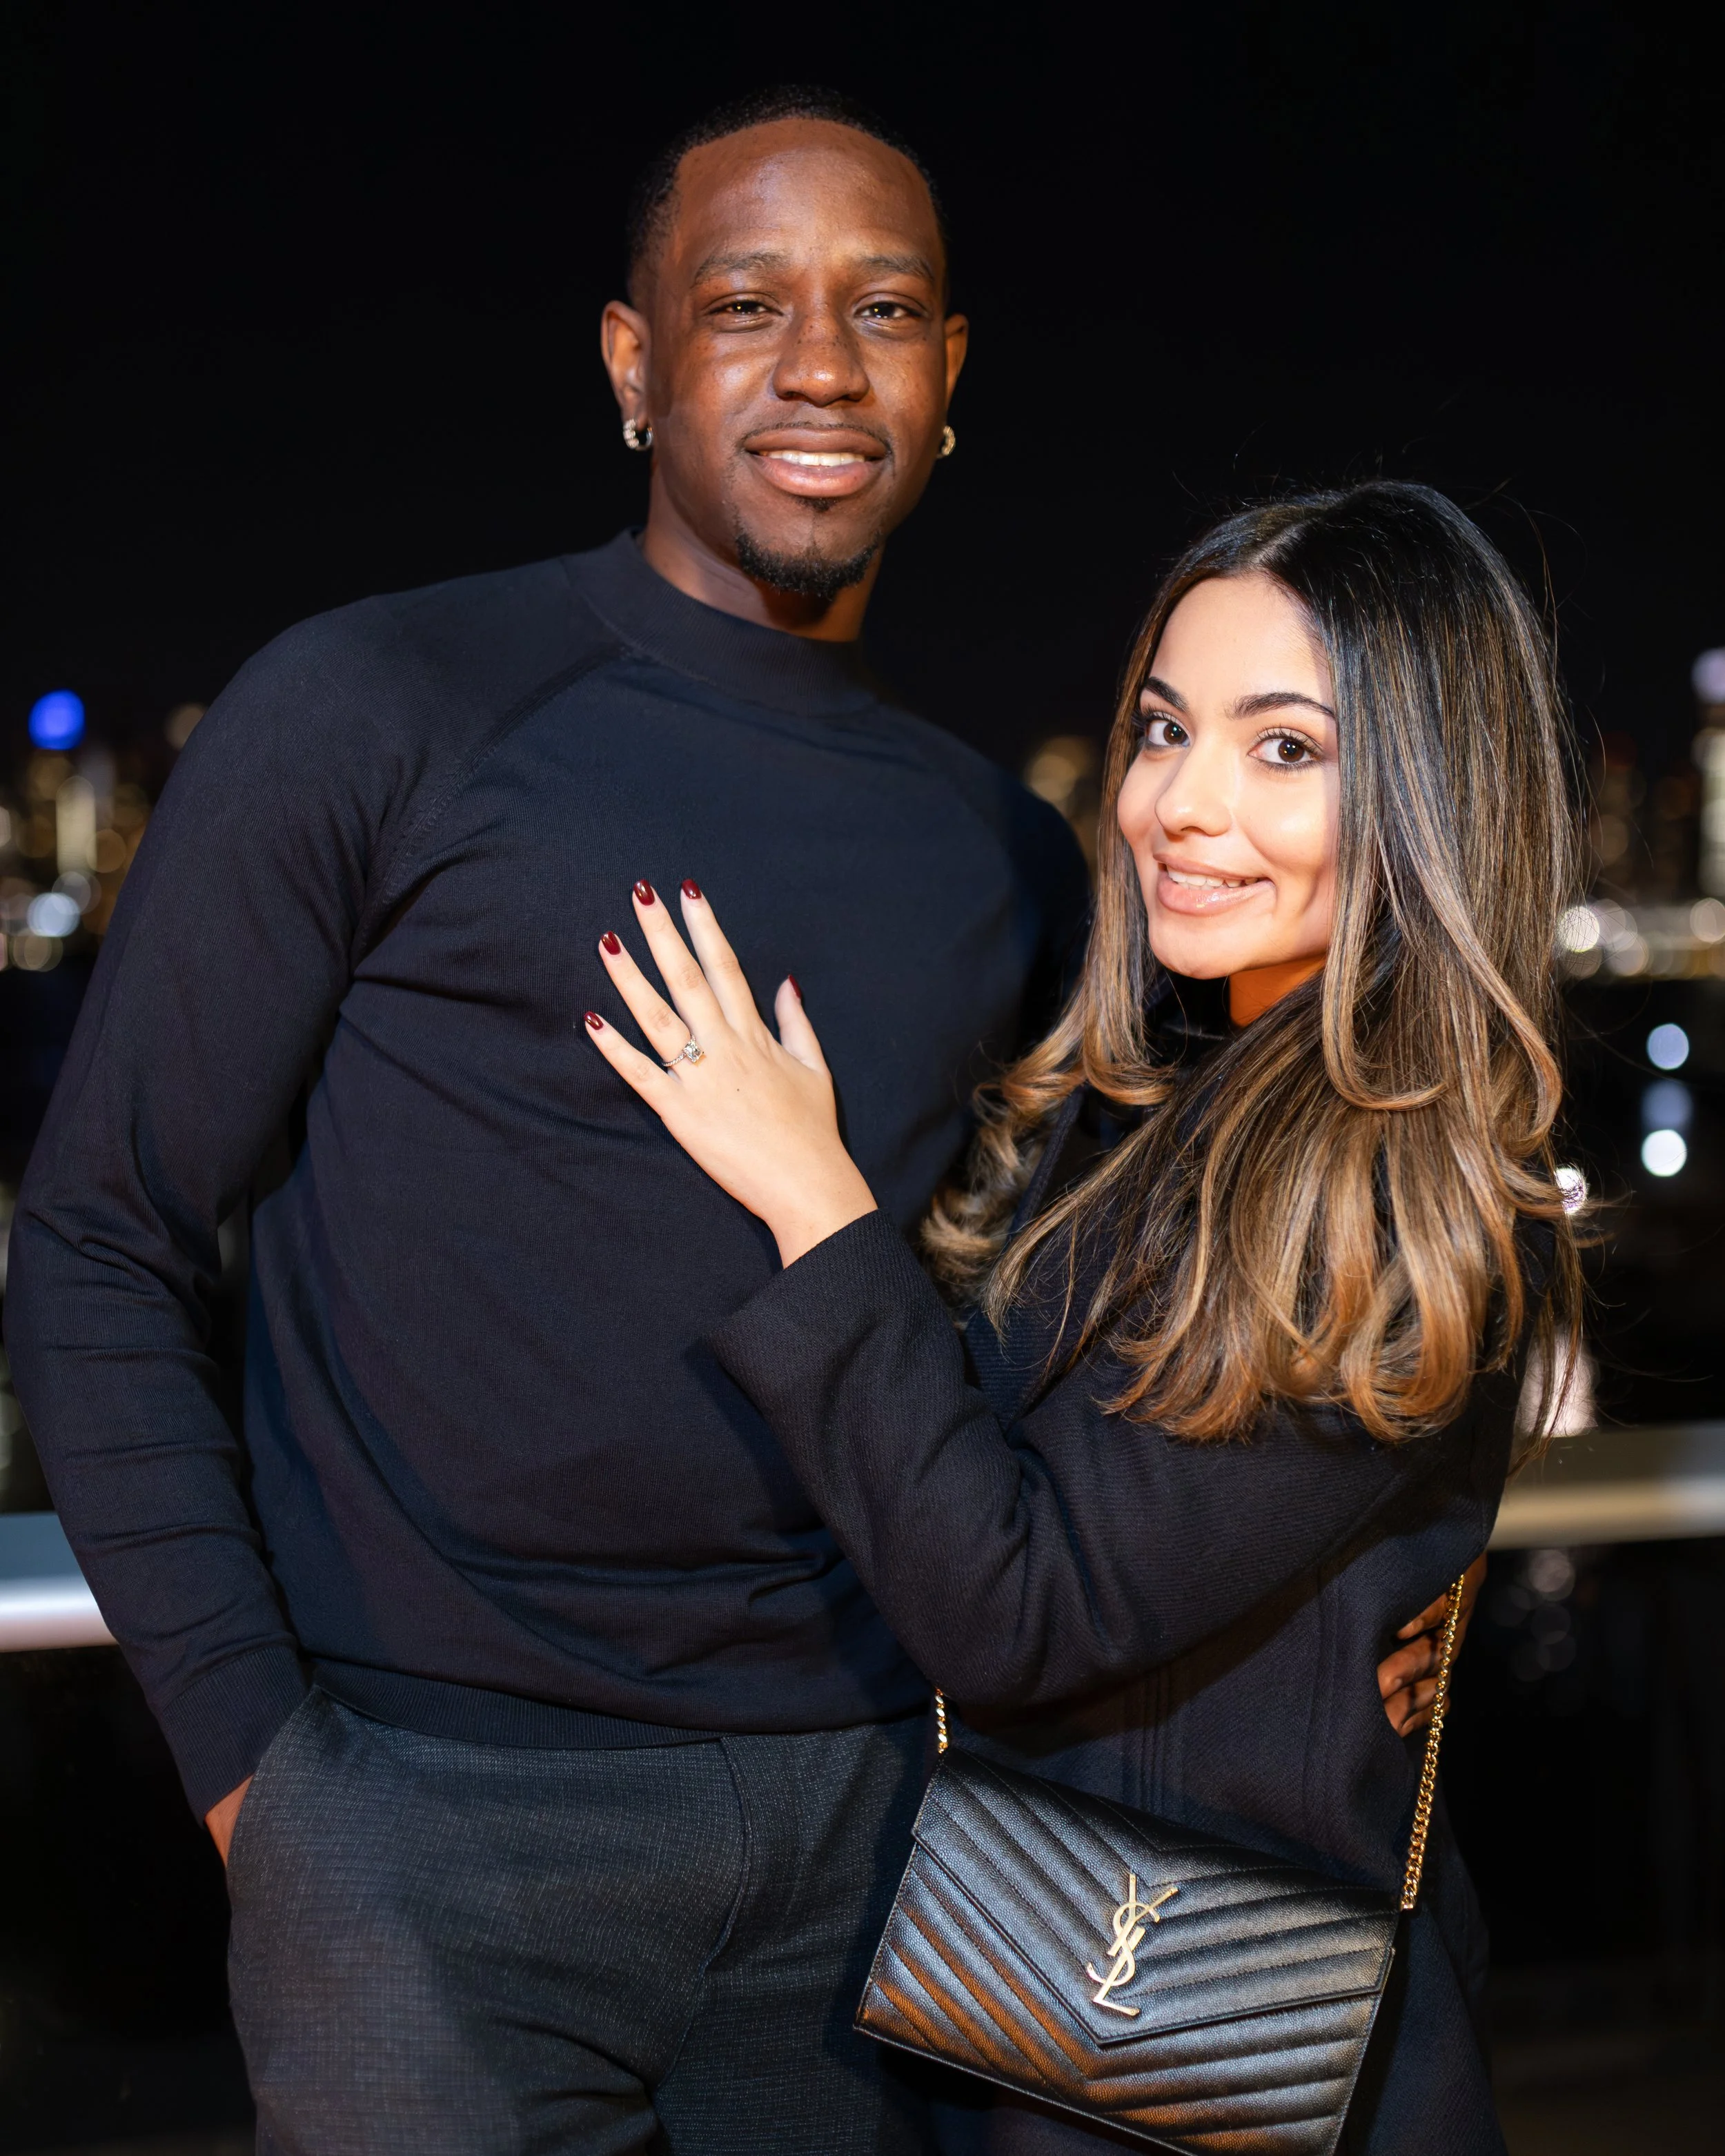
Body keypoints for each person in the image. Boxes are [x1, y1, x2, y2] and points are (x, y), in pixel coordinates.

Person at [6, 83, 1463, 2155]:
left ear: (947, 378)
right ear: (632, 361)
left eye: (882, 310)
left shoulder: (1011, 854)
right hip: (433, 1821)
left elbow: (1160, 1310)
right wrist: (262, 1767)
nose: (816, 366)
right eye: (743, 302)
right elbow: (98, 1231)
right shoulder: (373, 709)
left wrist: (1382, 1579)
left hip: (880, 1822)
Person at [582, 480, 1583, 2155]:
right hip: (1036, 1999)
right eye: (1164, 727)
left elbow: (1018, 1602)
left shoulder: (1394, 1207)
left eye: (1283, 750)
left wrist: (807, 1196)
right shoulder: (1140, 1091)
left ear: (1427, 794)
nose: (1180, 803)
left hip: (1198, 2050)